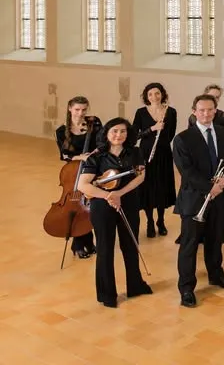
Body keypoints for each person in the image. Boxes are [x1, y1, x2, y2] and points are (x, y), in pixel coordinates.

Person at [77, 117, 152, 308]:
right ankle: (107, 294)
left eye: (123, 131)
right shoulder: (96, 156)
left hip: (129, 202)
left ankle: (135, 286)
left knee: (130, 245)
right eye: (114, 131)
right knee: (105, 249)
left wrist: (119, 193)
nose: (119, 135)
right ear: (107, 134)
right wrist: (108, 195)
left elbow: (140, 176)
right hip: (102, 207)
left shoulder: (135, 152)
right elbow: (83, 185)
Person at [172, 94, 224, 308]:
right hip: (194, 198)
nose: (206, 114)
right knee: (189, 245)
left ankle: (216, 275)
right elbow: (186, 171)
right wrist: (211, 187)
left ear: (216, 111)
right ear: (194, 112)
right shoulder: (182, 139)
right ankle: (186, 288)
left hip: (218, 197)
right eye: (201, 110)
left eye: (210, 110)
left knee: (215, 239)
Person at [55, 96, 101, 259]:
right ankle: (78, 244)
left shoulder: (94, 122)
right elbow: (64, 155)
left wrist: (93, 154)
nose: (80, 113)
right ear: (70, 108)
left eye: (83, 109)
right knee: (77, 207)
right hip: (74, 171)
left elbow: (102, 144)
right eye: (77, 109)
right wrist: (80, 156)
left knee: (90, 207)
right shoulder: (61, 131)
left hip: (92, 168)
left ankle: (87, 241)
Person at [131, 83, 177, 239]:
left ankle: (161, 221)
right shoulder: (141, 112)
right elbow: (134, 136)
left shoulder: (171, 112)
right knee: (148, 188)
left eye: (157, 93)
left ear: (162, 94)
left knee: (162, 187)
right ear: (146, 96)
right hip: (145, 154)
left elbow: (170, 134)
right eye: (150, 94)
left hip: (163, 154)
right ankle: (150, 221)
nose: (154, 97)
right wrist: (152, 129)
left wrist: (161, 140)